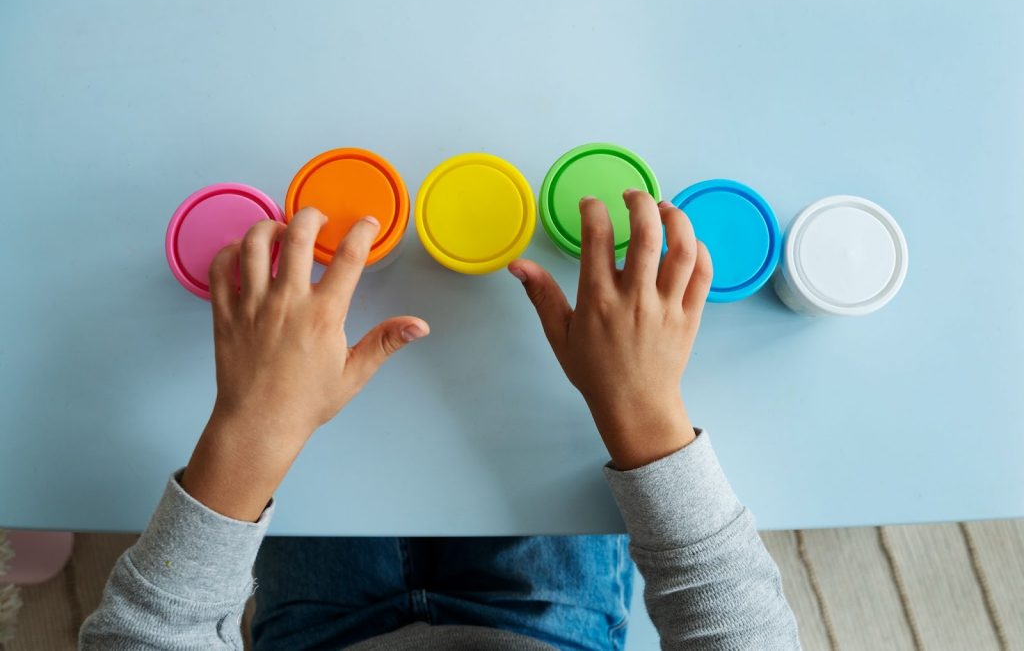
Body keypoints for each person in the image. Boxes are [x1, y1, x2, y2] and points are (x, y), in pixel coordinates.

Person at [80, 190, 800, 650]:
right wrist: (644, 413)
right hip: (544, 621)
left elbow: (146, 636)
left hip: (320, 629)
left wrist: (254, 424)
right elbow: (738, 628)